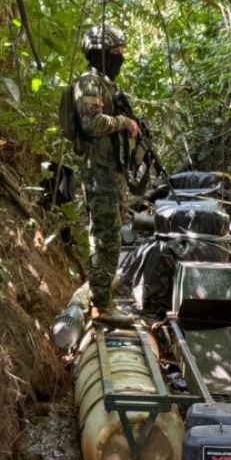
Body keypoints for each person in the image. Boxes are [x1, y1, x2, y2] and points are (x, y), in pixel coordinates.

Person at [74, 23, 140, 325]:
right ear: (101, 54)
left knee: (108, 237)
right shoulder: (89, 83)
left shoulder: (104, 84)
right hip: (98, 174)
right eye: (116, 52)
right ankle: (102, 307)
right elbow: (91, 124)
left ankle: (101, 299)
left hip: (108, 173)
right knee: (107, 240)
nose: (121, 57)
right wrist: (122, 123)